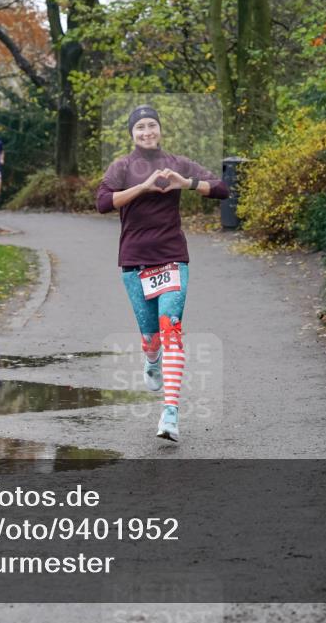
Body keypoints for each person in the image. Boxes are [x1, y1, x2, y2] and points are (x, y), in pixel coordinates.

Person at [96, 104, 229, 442]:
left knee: (172, 330)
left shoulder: (177, 164)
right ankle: (150, 357)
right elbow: (103, 202)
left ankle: (170, 414)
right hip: (134, 260)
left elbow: (222, 189)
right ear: (131, 133)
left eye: (151, 125)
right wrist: (143, 188)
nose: (146, 132)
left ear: (160, 129)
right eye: (139, 127)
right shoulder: (122, 166)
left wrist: (186, 183)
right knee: (151, 338)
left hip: (171, 258)